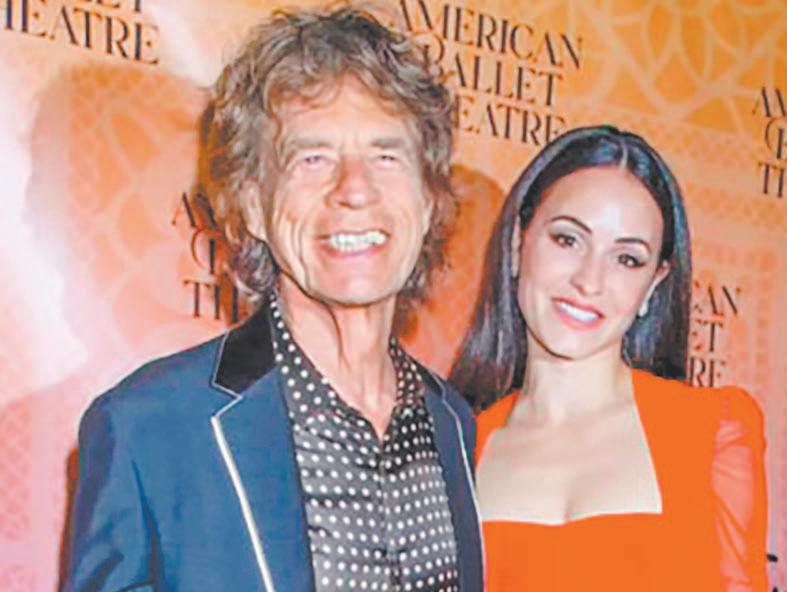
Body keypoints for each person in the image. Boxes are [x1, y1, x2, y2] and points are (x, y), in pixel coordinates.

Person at [63, 7, 482, 592]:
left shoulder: (453, 422)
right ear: (252, 206)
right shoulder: (148, 427)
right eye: (312, 158)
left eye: (387, 155)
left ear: (430, 200)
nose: (355, 190)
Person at [450, 125, 768, 591]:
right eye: (567, 240)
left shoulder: (713, 430)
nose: (589, 281)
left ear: (653, 284)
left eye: (627, 259)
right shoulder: (458, 454)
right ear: (518, 244)